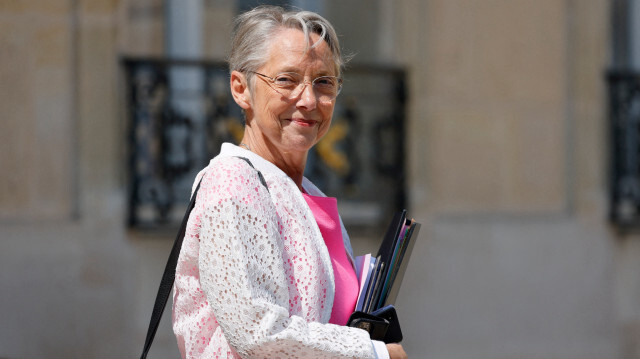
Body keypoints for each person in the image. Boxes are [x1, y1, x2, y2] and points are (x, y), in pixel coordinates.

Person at [172, 5, 408, 359]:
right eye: (286, 80)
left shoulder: (307, 193)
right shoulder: (232, 181)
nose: (309, 100)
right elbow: (257, 333)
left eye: (324, 82)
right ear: (241, 89)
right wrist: (373, 353)